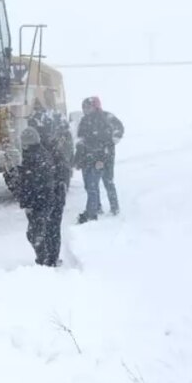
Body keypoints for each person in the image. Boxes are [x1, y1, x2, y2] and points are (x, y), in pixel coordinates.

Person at [27, 110, 73, 265]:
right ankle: (50, 258)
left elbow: (61, 170)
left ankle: (47, 258)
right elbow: (64, 169)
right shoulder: (50, 149)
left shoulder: (44, 150)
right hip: (52, 195)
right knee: (51, 228)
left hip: (50, 195)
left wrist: (58, 187)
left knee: (46, 228)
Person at [74, 96, 124, 223]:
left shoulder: (106, 117)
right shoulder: (84, 121)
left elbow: (119, 128)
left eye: (88, 107)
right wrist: (78, 158)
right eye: (84, 107)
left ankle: (114, 207)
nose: (85, 110)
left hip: (106, 155)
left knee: (107, 181)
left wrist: (113, 141)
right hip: (90, 156)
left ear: (96, 106)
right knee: (91, 184)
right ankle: (97, 207)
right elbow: (80, 140)